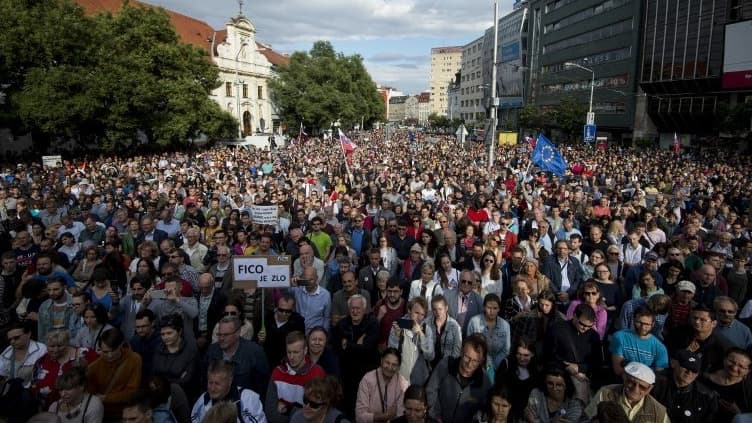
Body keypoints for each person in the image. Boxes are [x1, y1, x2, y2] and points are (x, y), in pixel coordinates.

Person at [331, 294, 380, 417]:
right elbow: (336, 347)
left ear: (364, 309)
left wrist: (348, 345)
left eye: (358, 308)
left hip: (367, 373)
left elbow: (368, 348)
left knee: (366, 408)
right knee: (349, 409)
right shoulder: (342, 324)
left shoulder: (372, 323)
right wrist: (358, 345)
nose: (355, 311)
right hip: (347, 374)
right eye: (352, 308)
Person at [425, 334, 491, 423]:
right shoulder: (446, 365)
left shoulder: (485, 380)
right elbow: (430, 390)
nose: (469, 364)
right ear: (461, 352)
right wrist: (436, 415)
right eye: (467, 357)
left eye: (475, 361)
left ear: (482, 360)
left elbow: (484, 408)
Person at [543, 303, 601, 402]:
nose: (585, 328)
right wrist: (566, 367)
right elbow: (548, 355)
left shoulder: (593, 336)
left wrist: (580, 368)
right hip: (558, 379)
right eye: (582, 324)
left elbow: (597, 361)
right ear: (574, 316)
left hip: (582, 380)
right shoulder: (557, 329)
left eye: (589, 326)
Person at [265, 331, 326, 423]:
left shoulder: (317, 373)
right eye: (289, 352)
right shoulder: (277, 373)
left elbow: (318, 413)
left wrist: (288, 409)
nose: (291, 357)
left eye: (296, 352)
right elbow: (271, 415)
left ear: (305, 350)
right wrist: (299, 412)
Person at [206, 315, 270, 397]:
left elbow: (262, 387)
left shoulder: (255, 353)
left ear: (237, 333)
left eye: (226, 335)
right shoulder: (212, 351)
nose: (221, 338)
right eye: (219, 334)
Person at [32, 329, 97, 409]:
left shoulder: (85, 355)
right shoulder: (42, 361)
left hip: (80, 407)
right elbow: (34, 384)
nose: (55, 350)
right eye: (52, 346)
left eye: (59, 346)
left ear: (67, 344)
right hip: (49, 409)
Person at [86, 327, 142, 419]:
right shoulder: (94, 366)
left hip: (124, 411)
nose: (110, 355)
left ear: (120, 345)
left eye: (113, 351)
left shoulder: (135, 359)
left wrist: (106, 398)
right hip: (100, 411)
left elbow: (132, 391)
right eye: (105, 352)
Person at [585, 362, 668, 423]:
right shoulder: (605, 393)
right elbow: (587, 419)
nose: (636, 389)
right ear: (624, 378)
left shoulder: (659, 411)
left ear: (650, 388)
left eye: (642, 386)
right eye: (631, 382)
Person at [652, 349, 718, 423]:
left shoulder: (707, 396)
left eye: (694, 370)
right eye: (686, 366)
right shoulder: (654, 382)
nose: (689, 373)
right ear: (673, 363)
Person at [388, 296, 435, 385]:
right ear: (409, 310)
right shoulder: (399, 325)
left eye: (422, 315)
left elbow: (430, 356)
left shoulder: (426, 329)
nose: (419, 317)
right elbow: (390, 351)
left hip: (419, 378)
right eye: (417, 313)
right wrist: (398, 337)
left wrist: (421, 335)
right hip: (399, 376)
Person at [355, 348, 409, 423]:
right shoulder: (367, 380)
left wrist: (373, 416)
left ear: (399, 367)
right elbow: (359, 416)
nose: (390, 367)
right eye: (387, 362)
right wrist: (386, 416)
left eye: (394, 365)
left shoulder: (403, 384)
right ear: (381, 361)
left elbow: (400, 416)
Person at [610, 306, 668, 376]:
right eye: (639, 322)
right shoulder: (619, 337)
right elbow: (618, 370)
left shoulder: (660, 348)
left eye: (647, 324)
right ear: (633, 320)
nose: (643, 327)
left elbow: (658, 375)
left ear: (653, 324)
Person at [700, 347, 752, 423]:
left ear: (748, 370)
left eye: (741, 366)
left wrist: (739, 412)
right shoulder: (707, 370)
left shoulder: (748, 389)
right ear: (724, 359)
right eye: (731, 361)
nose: (734, 368)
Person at [494, 338, 538, 423]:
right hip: (505, 414)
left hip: (524, 417)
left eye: (526, 355)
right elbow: (498, 390)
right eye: (519, 354)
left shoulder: (535, 371)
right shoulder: (506, 365)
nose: (522, 358)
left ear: (532, 354)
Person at [152, 313, 198, 388]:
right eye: (163, 334)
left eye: (169, 333)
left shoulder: (190, 350)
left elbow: (187, 380)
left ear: (179, 331)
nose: (165, 337)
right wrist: (176, 379)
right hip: (159, 393)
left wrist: (162, 381)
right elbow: (154, 374)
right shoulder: (158, 348)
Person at [467, 293, 510, 373]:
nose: (492, 311)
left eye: (495, 308)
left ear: (499, 309)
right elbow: (469, 346)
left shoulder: (505, 325)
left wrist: (492, 366)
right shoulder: (474, 322)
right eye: (489, 308)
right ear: (484, 307)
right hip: (476, 365)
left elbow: (506, 350)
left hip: (497, 367)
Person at [444, 269, 483, 335]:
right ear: (459, 281)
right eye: (463, 281)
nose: (466, 284)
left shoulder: (479, 300)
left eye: (469, 282)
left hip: (469, 338)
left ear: (473, 284)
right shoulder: (447, 295)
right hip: (449, 336)